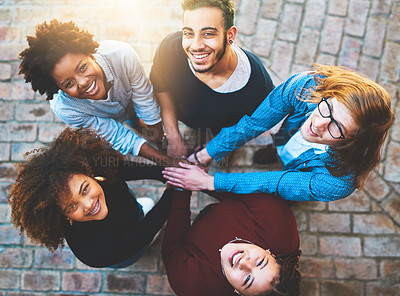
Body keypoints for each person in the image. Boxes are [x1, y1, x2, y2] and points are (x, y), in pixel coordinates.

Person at [162, 64, 394, 202]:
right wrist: (206, 154)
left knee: (286, 192)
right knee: (278, 147)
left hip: (303, 174)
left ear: (353, 140)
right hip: (286, 139)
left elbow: (275, 182)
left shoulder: (338, 182)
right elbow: (253, 124)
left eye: (338, 127)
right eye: (329, 107)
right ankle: (275, 152)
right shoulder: (307, 87)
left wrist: (212, 182)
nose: (320, 123)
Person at [8, 127, 176, 268]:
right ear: (62, 215)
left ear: (89, 173)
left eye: (85, 189)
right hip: (128, 250)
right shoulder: (92, 253)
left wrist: (166, 173)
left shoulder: (98, 170)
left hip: (129, 211)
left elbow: (124, 170)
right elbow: (142, 234)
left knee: (140, 208)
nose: (88, 204)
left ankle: (139, 211)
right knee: (145, 236)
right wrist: (172, 191)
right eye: (72, 207)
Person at [18, 19, 174, 166]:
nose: (83, 82)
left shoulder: (122, 54)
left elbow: (146, 104)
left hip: (130, 101)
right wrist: (167, 162)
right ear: (60, 89)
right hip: (103, 119)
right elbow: (118, 136)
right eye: (69, 83)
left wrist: (162, 143)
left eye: (82, 68)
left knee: (139, 120)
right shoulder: (65, 108)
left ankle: (145, 131)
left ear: (91, 55)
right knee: (112, 158)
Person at [149, 0, 274, 158]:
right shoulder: (170, 48)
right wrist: (173, 136)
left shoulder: (257, 85)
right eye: (188, 33)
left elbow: (248, 128)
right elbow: (161, 86)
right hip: (188, 119)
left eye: (208, 33)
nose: (195, 46)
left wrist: (214, 148)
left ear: (230, 35)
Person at [163, 190, 301, 296]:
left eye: (247, 281)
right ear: (272, 255)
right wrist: (203, 181)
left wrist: (181, 189)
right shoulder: (279, 222)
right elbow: (242, 194)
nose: (243, 263)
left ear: (239, 293)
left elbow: (174, 243)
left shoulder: (192, 285)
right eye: (260, 262)